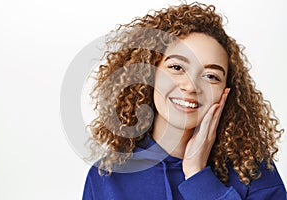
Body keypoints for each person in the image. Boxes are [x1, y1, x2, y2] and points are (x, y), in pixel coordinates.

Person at [82, 2, 286, 199]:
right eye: (177, 68)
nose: (190, 86)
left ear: (226, 92)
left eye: (211, 76)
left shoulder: (252, 170)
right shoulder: (107, 177)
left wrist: (197, 176)